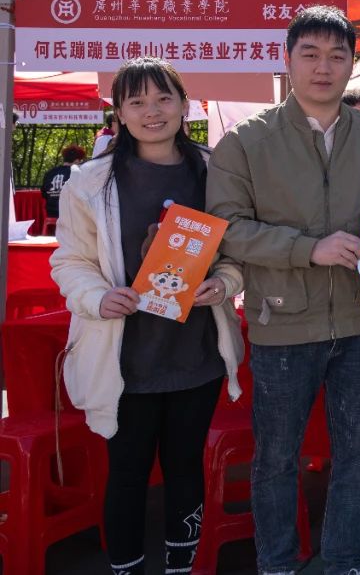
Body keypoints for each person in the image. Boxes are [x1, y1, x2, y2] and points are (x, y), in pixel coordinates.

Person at [207, 7, 360, 575]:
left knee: (358, 456)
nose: (324, 67)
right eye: (310, 54)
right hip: (282, 322)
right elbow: (227, 227)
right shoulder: (246, 141)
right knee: (276, 459)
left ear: (352, 65)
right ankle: (276, 564)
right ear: (287, 61)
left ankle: (347, 561)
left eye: (337, 56)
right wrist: (307, 249)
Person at [50, 58, 245, 575]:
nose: (151, 111)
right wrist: (97, 296)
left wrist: (224, 283)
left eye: (163, 98)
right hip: (124, 359)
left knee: (185, 468)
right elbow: (70, 259)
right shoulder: (89, 181)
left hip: (195, 355)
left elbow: (236, 250)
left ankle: (181, 567)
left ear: (185, 105)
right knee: (128, 473)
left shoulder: (215, 171)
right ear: (118, 113)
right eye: (136, 102)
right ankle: (126, 569)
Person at [40, 144, 87, 218]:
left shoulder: (50, 173)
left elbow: (44, 194)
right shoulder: (77, 173)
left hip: (51, 215)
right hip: (71, 216)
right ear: (77, 160)